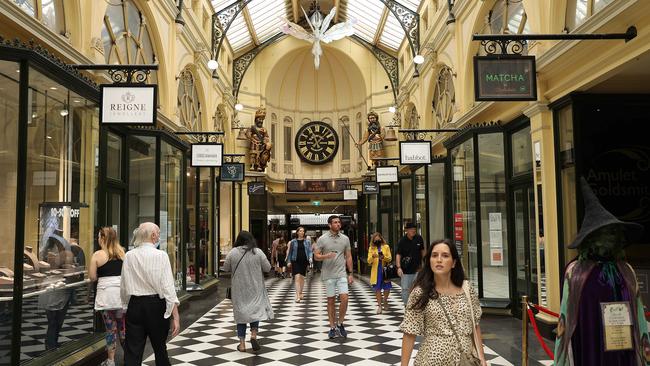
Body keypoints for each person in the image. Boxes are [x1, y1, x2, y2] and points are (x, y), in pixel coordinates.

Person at [554, 178, 649, 366]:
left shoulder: (625, 270)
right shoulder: (575, 272)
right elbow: (567, 316)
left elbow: (638, 314)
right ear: (591, 237)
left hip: (623, 347)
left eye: (614, 232)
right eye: (605, 232)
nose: (610, 237)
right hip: (588, 345)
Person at [400, 239, 487, 366]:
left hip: (465, 360)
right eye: (434, 255)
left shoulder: (467, 289)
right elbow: (409, 333)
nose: (439, 260)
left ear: (453, 263)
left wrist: (482, 358)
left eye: (445, 256)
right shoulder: (421, 292)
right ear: (429, 261)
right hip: (432, 360)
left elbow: (475, 326)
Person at [121, 222, 180, 366]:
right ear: (153, 236)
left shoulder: (129, 256)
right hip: (156, 307)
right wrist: (175, 316)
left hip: (135, 305)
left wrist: (124, 307)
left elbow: (124, 285)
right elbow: (168, 288)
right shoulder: (161, 256)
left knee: (132, 352)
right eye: (158, 233)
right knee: (160, 349)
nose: (159, 236)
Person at [223, 231, 274, 352]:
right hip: (255, 288)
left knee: (241, 315)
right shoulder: (257, 252)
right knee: (254, 311)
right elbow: (268, 268)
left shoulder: (233, 252)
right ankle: (253, 335)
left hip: (239, 290)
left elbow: (225, 268)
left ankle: (242, 344)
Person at [89, 227, 126, 366]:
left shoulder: (97, 255)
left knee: (110, 329)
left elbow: (92, 277)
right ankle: (129, 358)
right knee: (122, 328)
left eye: (99, 236)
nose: (98, 239)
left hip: (106, 297)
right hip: (121, 297)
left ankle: (111, 361)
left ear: (103, 238)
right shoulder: (122, 253)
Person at [314, 215, 354, 339]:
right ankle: (332, 327)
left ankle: (340, 323)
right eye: (335, 222)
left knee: (345, 298)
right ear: (329, 225)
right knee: (330, 301)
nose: (338, 224)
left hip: (341, 273)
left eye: (339, 222)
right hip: (328, 274)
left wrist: (351, 273)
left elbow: (348, 256)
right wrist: (326, 256)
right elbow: (316, 256)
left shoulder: (345, 239)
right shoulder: (322, 239)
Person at [396, 222, 426, 305]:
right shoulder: (402, 241)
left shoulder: (419, 238)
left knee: (418, 288)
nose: (413, 230)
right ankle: (407, 305)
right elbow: (398, 254)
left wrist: (425, 263)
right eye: (411, 229)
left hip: (418, 269)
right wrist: (398, 267)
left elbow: (422, 251)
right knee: (405, 289)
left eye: (414, 229)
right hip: (406, 270)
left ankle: (416, 305)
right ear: (406, 230)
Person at [367, 232, 392, 314]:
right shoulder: (371, 248)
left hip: (384, 270)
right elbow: (369, 261)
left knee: (387, 287)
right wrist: (372, 256)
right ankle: (380, 306)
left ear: (381, 239)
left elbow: (389, 258)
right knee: (377, 288)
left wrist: (383, 257)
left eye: (378, 238)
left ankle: (385, 300)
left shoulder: (386, 247)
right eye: (375, 239)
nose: (377, 240)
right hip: (376, 270)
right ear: (373, 240)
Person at [287, 226, 313, 302]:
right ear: (297, 232)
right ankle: (298, 295)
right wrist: (289, 261)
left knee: (302, 277)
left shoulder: (307, 242)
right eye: (300, 231)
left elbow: (310, 251)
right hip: (295, 261)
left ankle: (301, 292)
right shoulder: (293, 242)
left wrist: (310, 257)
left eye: (303, 231)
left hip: (304, 261)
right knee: (297, 277)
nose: (302, 232)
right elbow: (290, 252)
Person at [244, 107, 272, 171]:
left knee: (260, 155)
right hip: (253, 143)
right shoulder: (252, 128)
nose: (261, 121)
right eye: (259, 119)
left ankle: (259, 165)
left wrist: (266, 142)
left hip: (261, 144)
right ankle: (252, 166)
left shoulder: (264, 129)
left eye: (262, 120)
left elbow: (266, 137)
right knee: (253, 155)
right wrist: (250, 136)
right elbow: (248, 134)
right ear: (256, 119)